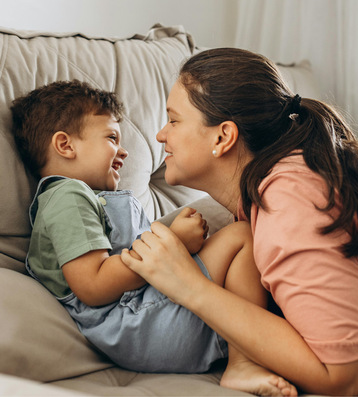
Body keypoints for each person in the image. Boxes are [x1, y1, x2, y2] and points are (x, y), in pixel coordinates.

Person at [121, 48, 358, 396]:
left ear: (223, 137)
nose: (162, 135)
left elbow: (342, 378)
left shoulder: (288, 200)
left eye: (174, 120)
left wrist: (189, 285)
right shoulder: (273, 188)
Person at [11, 79, 297, 396]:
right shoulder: (67, 196)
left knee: (245, 237)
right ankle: (244, 361)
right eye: (111, 137)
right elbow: (92, 285)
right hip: (138, 323)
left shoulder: (95, 197)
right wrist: (172, 242)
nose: (123, 151)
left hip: (152, 311)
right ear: (65, 146)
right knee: (241, 235)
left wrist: (181, 243)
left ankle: (260, 344)